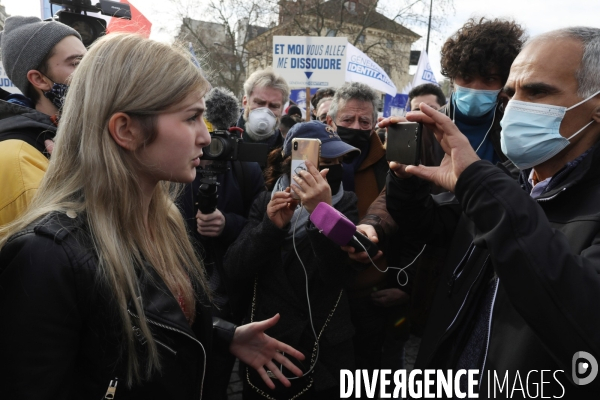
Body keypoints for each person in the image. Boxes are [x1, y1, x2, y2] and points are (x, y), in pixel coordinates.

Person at [0, 33, 304, 399]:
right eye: (191, 117)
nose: (205, 138)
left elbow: (155, 320)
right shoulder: (47, 258)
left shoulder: (166, 219)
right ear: (126, 129)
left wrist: (222, 334)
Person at [383, 27, 600, 397]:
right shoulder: (510, 182)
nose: (514, 106)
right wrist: (407, 177)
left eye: (536, 91)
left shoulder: (496, 186)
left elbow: (581, 314)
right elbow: (429, 226)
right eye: (511, 93)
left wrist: (480, 184)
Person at [224, 121, 360, 399]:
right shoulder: (265, 201)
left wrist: (323, 213)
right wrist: (270, 228)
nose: (334, 169)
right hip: (270, 341)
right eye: (325, 161)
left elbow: (337, 275)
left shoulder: (345, 203)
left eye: (339, 162)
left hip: (323, 345)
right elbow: (234, 266)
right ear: (295, 163)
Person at [0, 16, 86, 225]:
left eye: (90, 61)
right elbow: (59, 249)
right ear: (39, 79)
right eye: (76, 63)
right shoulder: (18, 156)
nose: (91, 72)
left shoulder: (84, 131)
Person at [239, 67, 289, 151]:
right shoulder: (221, 144)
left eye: (274, 106)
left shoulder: (286, 153)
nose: (265, 111)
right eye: (259, 103)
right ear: (245, 102)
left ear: (281, 110)